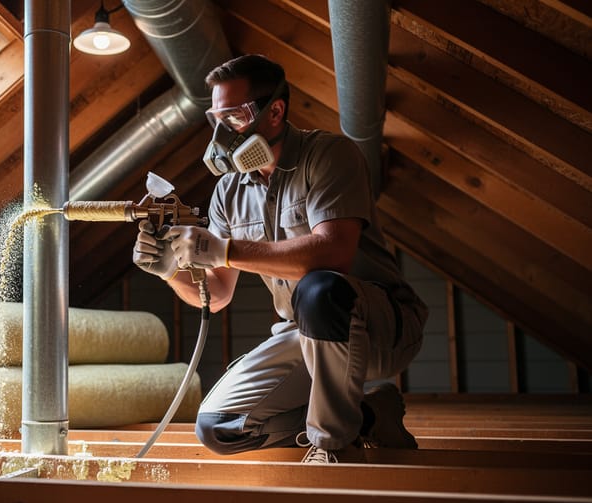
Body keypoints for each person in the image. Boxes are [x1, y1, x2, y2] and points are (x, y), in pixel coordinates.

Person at [132, 54, 428, 464]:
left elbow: (334, 253)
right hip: (302, 332)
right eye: (216, 119)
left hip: (378, 323)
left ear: (275, 111)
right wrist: (171, 272)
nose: (222, 133)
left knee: (319, 288)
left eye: (233, 117)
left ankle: (332, 446)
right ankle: (370, 415)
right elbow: (215, 295)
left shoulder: (328, 156)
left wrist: (225, 250)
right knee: (219, 427)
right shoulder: (228, 193)